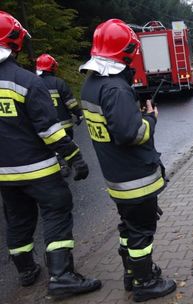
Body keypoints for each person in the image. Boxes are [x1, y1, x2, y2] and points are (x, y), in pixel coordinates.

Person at [0, 11, 101, 297]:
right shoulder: (26, 82)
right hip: (39, 170)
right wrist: (74, 157)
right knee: (57, 210)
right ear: (15, 42)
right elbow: (49, 130)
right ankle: (62, 277)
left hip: (4, 175)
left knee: (18, 219)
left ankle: (26, 271)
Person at [79, 19, 176, 302]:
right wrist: (150, 118)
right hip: (136, 179)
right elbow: (132, 134)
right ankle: (145, 282)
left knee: (128, 228)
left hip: (117, 179)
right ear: (125, 51)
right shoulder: (115, 89)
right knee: (142, 232)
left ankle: (132, 274)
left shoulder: (91, 85)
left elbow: (112, 128)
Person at [36, 54, 84, 177]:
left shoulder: (34, 83)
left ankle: (58, 162)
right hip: (64, 125)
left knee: (50, 146)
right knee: (67, 143)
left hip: (46, 126)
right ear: (53, 67)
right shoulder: (59, 83)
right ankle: (68, 161)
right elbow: (70, 102)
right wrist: (78, 114)